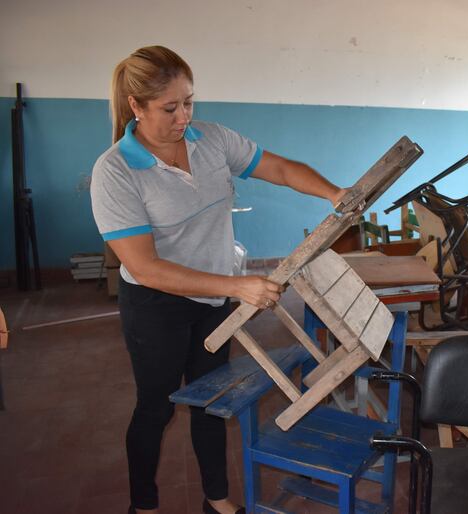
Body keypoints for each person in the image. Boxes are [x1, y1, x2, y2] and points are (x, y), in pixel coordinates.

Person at [90, 45, 347, 514]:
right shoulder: (115, 171)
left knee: (212, 402)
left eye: (189, 101)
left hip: (211, 302)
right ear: (136, 106)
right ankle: (143, 505)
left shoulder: (212, 140)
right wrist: (236, 286)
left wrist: (334, 192)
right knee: (156, 407)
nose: (184, 115)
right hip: (155, 306)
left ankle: (217, 499)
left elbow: (282, 168)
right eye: (170, 108)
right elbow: (145, 267)